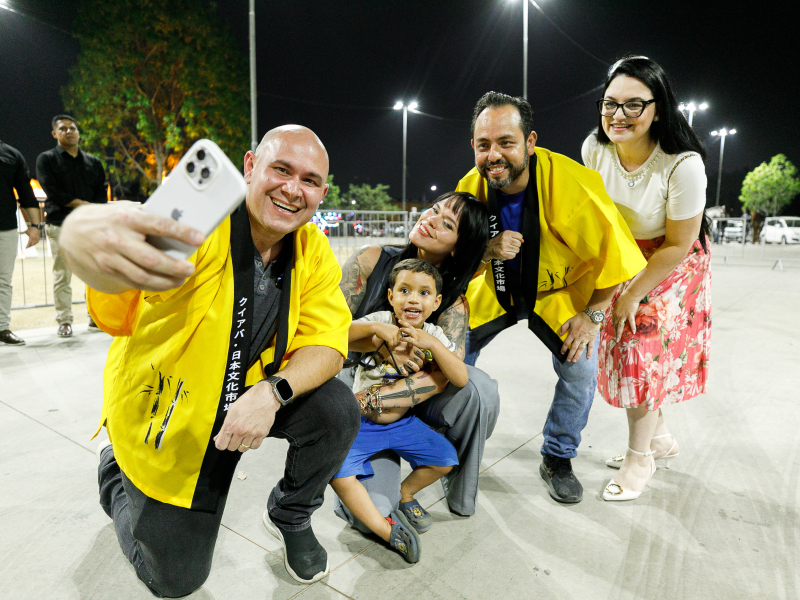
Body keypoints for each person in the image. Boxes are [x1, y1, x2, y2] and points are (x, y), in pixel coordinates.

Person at [59, 125, 361, 596]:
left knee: (338, 409)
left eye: (309, 180)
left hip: (244, 398)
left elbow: (328, 343)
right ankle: (115, 475)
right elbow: (119, 294)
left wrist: (274, 392)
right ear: (249, 166)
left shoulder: (313, 250)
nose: (292, 189)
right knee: (175, 580)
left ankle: (291, 513)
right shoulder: (198, 226)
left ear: (322, 193)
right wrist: (85, 243)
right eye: (281, 170)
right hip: (170, 410)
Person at [455, 92, 647, 504]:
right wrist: (486, 250)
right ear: (473, 145)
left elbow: (615, 255)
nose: (494, 155)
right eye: (484, 144)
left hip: (557, 290)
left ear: (530, 142)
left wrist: (592, 317)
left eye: (506, 142)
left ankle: (558, 456)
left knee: (581, 367)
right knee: (450, 351)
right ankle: (448, 450)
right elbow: (455, 254)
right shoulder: (470, 187)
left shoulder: (572, 183)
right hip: (495, 286)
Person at [581, 56, 712, 501]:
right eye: (610, 103)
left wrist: (631, 295)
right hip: (625, 252)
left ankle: (640, 458)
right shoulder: (594, 149)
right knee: (625, 341)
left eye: (633, 104)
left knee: (638, 339)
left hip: (674, 259)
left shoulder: (682, 164)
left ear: (658, 109)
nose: (618, 115)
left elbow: (678, 244)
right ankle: (659, 438)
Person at [336, 191, 497, 525]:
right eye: (433, 210)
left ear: (458, 247)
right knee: (375, 511)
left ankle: (452, 487)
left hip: (406, 401)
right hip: (354, 380)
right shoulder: (371, 259)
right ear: (392, 294)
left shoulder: (452, 303)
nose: (430, 220)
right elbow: (325, 331)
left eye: (447, 224)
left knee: (480, 390)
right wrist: (378, 344)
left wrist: (380, 397)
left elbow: (448, 375)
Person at [332, 258, 465, 563]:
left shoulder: (433, 334)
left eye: (423, 293)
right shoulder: (383, 319)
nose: (413, 299)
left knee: (445, 459)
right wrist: (375, 328)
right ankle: (387, 530)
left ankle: (405, 494)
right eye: (404, 290)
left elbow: (460, 377)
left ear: (436, 302)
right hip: (362, 423)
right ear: (391, 296)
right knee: (338, 472)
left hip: (403, 423)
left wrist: (433, 345)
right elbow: (340, 332)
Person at [36, 115, 107, 337]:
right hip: (60, 224)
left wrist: (93, 210)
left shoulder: (93, 162)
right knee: (62, 274)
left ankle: (95, 317)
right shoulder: (46, 160)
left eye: (72, 128)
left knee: (94, 273)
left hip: (89, 226)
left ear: (78, 132)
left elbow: (101, 192)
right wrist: (83, 205)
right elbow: (52, 191)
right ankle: (64, 321)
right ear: (54, 134)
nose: (69, 131)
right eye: (63, 129)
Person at [0, 139, 43, 345]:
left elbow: (25, 191)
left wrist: (35, 226)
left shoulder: (11, 154)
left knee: (3, 280)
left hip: (5, 226)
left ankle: (1, 328)